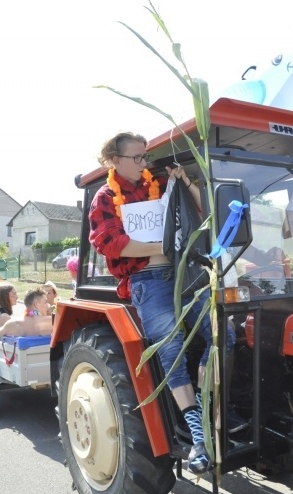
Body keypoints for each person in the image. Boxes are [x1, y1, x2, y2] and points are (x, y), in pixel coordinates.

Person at [88, 131, 236, 474]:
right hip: (147, 281)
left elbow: (203, 211)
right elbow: (111, 242)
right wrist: (165, 246)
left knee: (222, 336)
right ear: (114, 160)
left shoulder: (158, 182)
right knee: (171, 352)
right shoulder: (105, 197)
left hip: (188, 275)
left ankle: (201, 406)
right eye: (136, 158)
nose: (143, 164)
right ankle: (198, 433)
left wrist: (185, 182)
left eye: (144, 158)